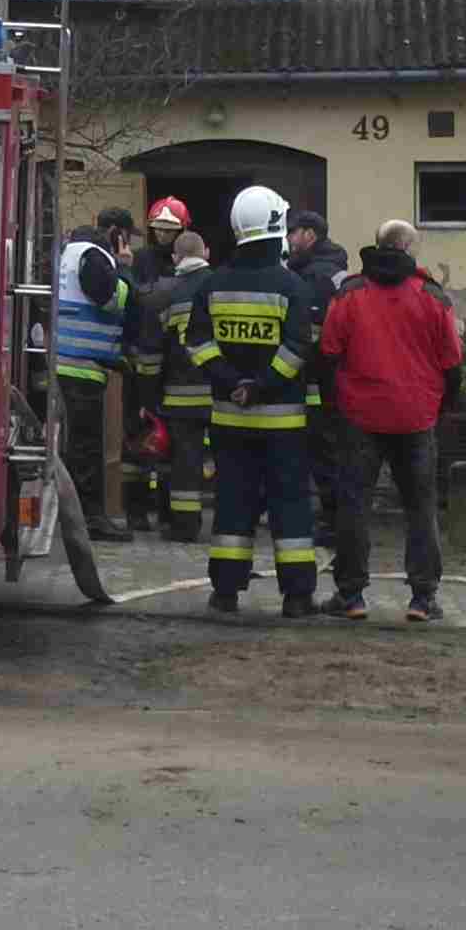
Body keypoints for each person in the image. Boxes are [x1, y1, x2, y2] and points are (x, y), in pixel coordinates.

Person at [181, 185, 320, 617]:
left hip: (229, 419)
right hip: (284, 425)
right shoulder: (292, 286)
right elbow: (298, 347)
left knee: (232, 505)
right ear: (277, 224)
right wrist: (262, 385)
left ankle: (225, 592)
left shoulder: (212, 284)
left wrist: (230, 381)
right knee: (291, 508)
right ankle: (297, 597)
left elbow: (197, 343)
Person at [318, 217, 463, 622]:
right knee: (421, 508)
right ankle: (422, 597)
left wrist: (336, 408)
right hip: (416, 417)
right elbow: (452, 364)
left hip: (359, 415)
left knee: (353, 506)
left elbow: (327, 355)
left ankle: (351, 595)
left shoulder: (349, 294)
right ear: (410, 250)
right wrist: (441, 408)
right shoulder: (433, 298)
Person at [285, 210, 356, 600]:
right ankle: (332, 521)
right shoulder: (335, 270)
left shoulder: (313, 276)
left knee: (320, 460)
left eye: (293, 233)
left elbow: (307, 334)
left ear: (309, 235)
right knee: (329, 458)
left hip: (314, 383)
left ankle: (328, 524)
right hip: (332, 383)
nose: (289, 240)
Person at [51, 225, 137, 543]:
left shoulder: (64, 255)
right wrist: (124, 269)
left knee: (74, 447)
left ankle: (76, 517)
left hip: (64, 363)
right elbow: (112, 301)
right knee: (86, 449)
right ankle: (90, 520)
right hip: (82, 368)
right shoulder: (93, 257)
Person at [139, 229, 215, 540]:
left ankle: (185, 527)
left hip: (180, 398)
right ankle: (236, 524)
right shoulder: (223, 285)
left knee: (185, 460)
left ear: (175, 258)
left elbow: (150, 354)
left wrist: (147, 396)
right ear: (206, 253)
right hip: (226, 395)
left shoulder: (163, 294)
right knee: (235, 459)